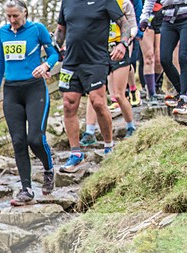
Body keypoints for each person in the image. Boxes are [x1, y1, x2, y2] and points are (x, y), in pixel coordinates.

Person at [0, 0, 59, 206]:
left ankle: (48, 170)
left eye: (16, 16)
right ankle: (26, 189)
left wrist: (46, 64)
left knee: (35, 139)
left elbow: (55, 53)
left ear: (25, 13)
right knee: (18, 141)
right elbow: (0, 61)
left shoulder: (37, 29)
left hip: (34, 88)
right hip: (11, 90)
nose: (12, 21)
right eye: (9, 17)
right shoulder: (3, 32)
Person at [56, 0, 131, 171]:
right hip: (71, 62)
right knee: (68, 104)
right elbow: (61, 29)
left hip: (96, 60)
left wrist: (123, 44)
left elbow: (124, 24)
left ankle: (109, 147)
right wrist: (54, 49)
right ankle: (75, 154)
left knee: (97, 102)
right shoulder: (67, 2)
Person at [82, 0, 139, 145]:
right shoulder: (94, 4)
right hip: (99, 51)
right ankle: (89, 131)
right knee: (93, 93)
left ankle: (130, 127)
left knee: (119, 94)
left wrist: (124, 43)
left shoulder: (124, 3)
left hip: (118, 49)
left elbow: (133, 27)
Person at [139, 0, 187, 114]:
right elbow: (150, 1)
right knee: (164, 59)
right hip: (168, 18)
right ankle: (181, 92)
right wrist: (144, 18)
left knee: (183, 56)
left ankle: (184, 98)